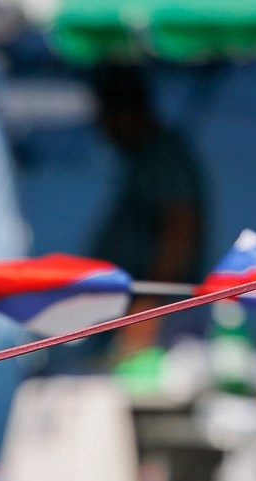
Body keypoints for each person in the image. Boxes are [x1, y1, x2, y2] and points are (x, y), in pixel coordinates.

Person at [88, 64, 206, 353]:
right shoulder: (141, 158)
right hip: (128, 312)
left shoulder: (164, 156)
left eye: (105, 116)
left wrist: (149, 306)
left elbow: (180, 228)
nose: (102, 128)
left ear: (126, 111)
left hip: (156, 320)